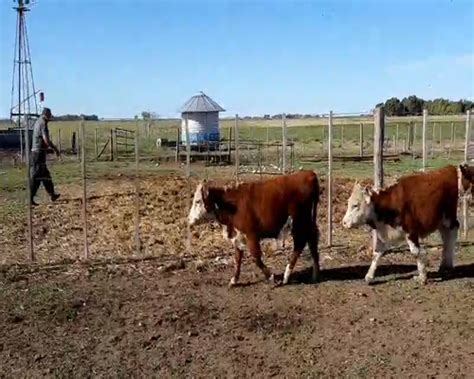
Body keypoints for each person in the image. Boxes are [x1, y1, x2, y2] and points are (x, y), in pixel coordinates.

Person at [30, 107, 61, 205]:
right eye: (49, 116)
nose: (50, 119)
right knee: (37, 176)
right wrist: (54, 148)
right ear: (46, 115)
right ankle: (30, 197)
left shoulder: (38, 121)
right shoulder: (43, 123)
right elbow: (46, 140)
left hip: (38, 152)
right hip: (38, 153)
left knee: (45, 175)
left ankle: (52, 194)